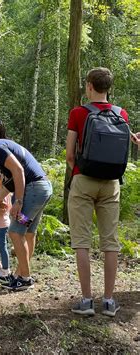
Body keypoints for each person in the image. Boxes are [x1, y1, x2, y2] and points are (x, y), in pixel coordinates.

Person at [66, 67, 129, 317]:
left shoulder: (78, 113)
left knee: (82, 241)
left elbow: (70, 154)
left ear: (89, 85)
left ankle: (86, 300)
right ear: (108, 87)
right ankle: (110, 302)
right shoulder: (120, 113)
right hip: (112, 182)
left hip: (84, 179)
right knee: (110, 242)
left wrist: (80, 170)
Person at [0, 129, 52, 291]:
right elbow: (8, 186)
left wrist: (19, 201)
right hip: (43, 189)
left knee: (15, 232)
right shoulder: (4, 146)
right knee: (28, 232)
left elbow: (19, 171)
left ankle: (25, 278)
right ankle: (19, 275)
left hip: (34, 191)